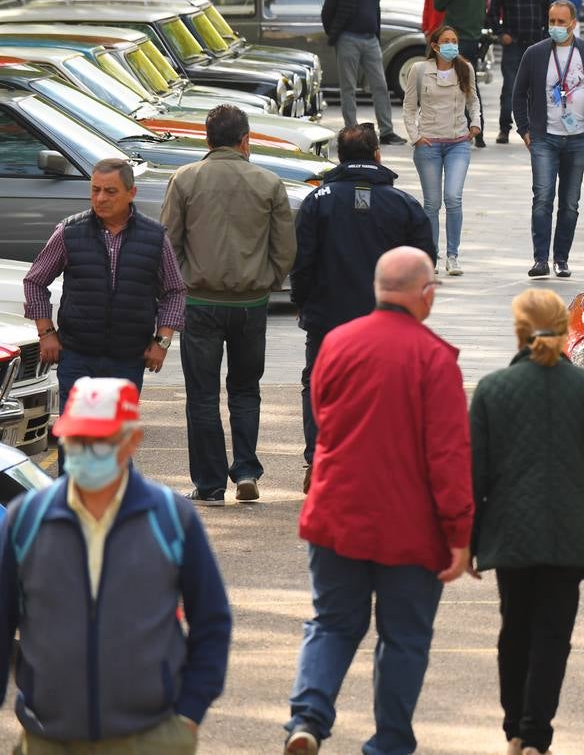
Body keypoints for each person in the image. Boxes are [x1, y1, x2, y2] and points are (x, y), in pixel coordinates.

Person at [285, 247, 476, 754]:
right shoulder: (435, 359)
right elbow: (449, 457)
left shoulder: (337, 343)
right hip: (410, 528)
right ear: (425, 293)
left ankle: (307, 719)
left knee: (332, 623)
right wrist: (461, 534)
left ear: (378, 288)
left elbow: (324, 419)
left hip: (337, 512)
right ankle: (389, 741)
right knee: (404, 638)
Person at [0, 377, 231, 755]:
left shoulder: (172, 518)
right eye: (76, 440)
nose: (85, 452)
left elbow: (212, 620)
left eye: (100, 442)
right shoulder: (26, 519)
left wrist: (190, 712)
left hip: (150, 737)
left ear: (131, 441)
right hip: (47, 737)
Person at [470, 289, 584, 755]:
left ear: (519, 330)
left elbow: (473, 474)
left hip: (511, 533)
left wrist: (467, 539)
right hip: (572, 532)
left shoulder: (492, 389)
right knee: (553, 635)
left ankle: (514, 731)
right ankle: (536, 735)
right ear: (566, 330)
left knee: (514, 629)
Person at [290, 123, 434, 493]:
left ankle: (319, 459)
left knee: (319, 384)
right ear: (377, 155)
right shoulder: (404, 204)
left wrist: (302, 303)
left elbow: (302, 263)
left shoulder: (318, 201)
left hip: (327, 317)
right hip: (388, 321)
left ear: (340, 157)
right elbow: (424, 263)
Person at [161, 105, 294, 504]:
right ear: (245, 140)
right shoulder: (269, 182)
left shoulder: (185, 179)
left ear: (207, 139)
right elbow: (285, 249)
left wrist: (182, 282)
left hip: (200, 300)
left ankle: (209, 483)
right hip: (250, 303)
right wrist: (266, 280)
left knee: (201, 394)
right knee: (245, 388)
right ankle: (247, 469)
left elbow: (168, 243)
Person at [22, 158, 185, 463]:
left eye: (110, 191)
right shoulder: (69, 232)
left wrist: (162, 341)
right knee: (76, 444)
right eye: (95, 190)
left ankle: (114, 508)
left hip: (128, 358)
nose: (100, 198)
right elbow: (35, 281)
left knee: (115, 446)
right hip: (77, 355)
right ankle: (72, 507)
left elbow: (175, 291)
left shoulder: (154, 237)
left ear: (131, 193)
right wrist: (46, 333)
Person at [512, 0, 584, 279]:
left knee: (570, 202)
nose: (556, 27)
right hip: (545, 136)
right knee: (542, 197)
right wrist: (525, 129)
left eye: (561, 22)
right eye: (552, 21)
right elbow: (519, 93)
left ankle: (561, 259)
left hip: (578, 138)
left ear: (573, 23)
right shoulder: (535, 53)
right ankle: (540, 258)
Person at [404, 24, 482, 276]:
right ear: (435, 46)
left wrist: (475, 123)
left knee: (453, 198)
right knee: (432, 203)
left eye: (454, 40)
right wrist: (415, 137)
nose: (451, 45)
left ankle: (453, 255)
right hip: (429, 144)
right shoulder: (419, 70)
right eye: (446, 41)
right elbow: (408, 107)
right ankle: (431, 255)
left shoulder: (465, 68)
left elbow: (474, 100)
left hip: (458, 143)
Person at [321, 0, 405, 145]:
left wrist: (375, 33)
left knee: (380, 86)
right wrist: (335, 34)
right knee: (348, 87)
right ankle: (352, 131)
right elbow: (327, 12)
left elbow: (376, 11)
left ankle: (386, 131)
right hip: (348, 39)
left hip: (370, 40)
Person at [488, 0, 551, 146]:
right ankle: (504, 129)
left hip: (536, 44)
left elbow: (549, 13)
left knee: (537, 88)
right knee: (510, 88)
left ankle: (534, 128)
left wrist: (545, 36)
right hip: (512, 45)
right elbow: (491, 13)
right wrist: (501, 33)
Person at [432, 0, 489, 93]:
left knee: (453, 84)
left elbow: (437, 4)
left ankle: (463, 116)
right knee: (470, 82)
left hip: (455, 40)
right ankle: (477, 116)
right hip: (474, 38)